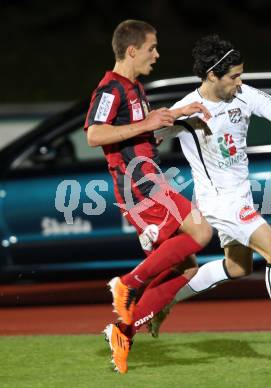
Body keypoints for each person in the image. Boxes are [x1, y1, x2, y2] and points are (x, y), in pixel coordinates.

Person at [148, 34, 271, 364]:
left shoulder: (245, 95)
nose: (240, 81)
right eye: (233, 76)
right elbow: (149, 138)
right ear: (212, 76)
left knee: (238, 266)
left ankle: (166, 300)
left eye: (241, 74)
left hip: (240, 197)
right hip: (219, 201)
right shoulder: (188, 109)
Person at [84, 20, 213, 373]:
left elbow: (145, 134)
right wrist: (147, 124)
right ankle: (126, 284)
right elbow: (95, 135)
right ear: (131, 50)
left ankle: (123, 332)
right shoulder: (111, 88)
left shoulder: (134, 88)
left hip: (149, 181)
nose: (156, 55)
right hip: (138, 186)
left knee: (185, 270)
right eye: (151, 48)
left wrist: (176, 117)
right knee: (201, 233)